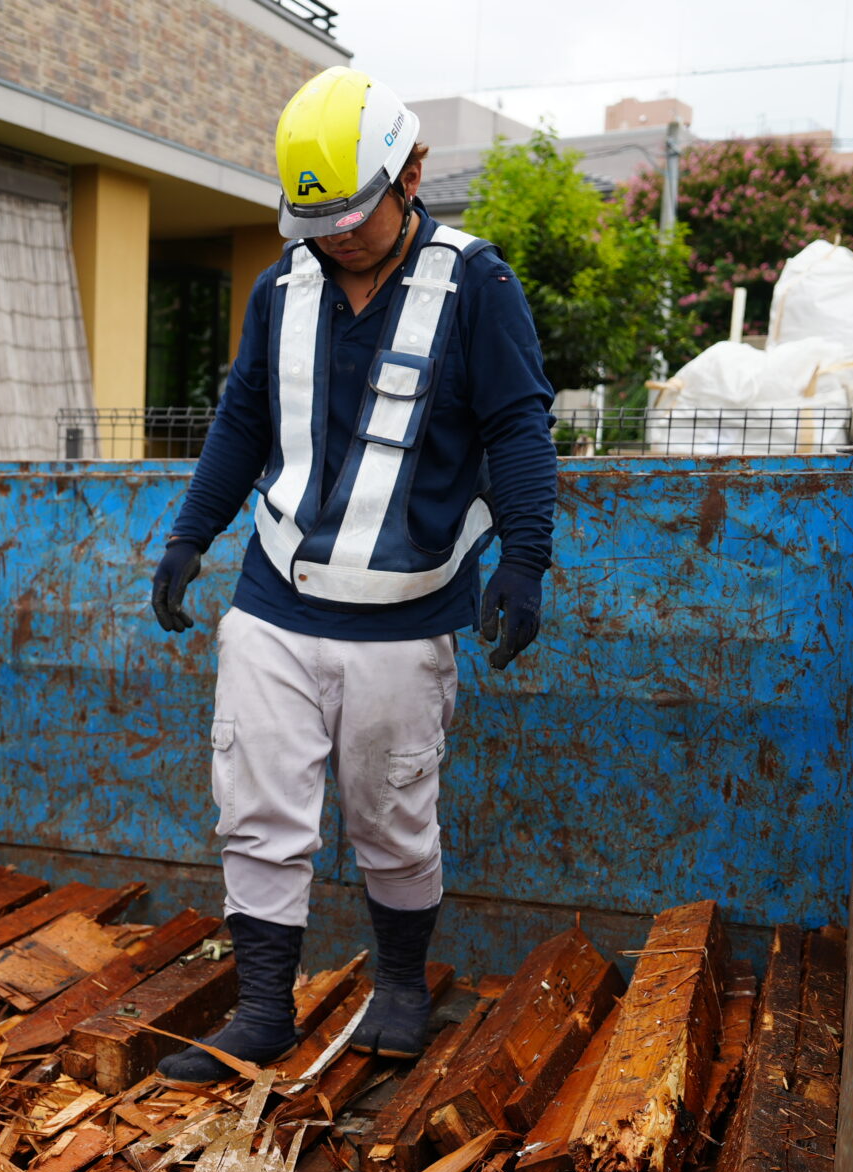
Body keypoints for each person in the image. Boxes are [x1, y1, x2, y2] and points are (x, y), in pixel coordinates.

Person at [147, 66, 557, 1080]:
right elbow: (244, 418)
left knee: (391, 811)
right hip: (274, 599)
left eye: (352, 211)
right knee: (256, 802)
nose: (333, 232)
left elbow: (517, 427)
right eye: (313, 215)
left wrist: (525, 560)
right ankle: (258, 1010)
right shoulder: (281, 287)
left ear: (409, 172)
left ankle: (402, 987)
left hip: (403, 616)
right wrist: (190, 534)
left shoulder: (475, 284)